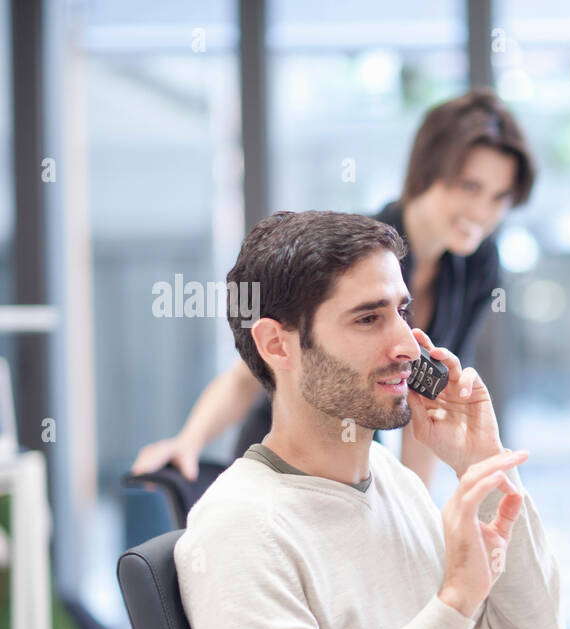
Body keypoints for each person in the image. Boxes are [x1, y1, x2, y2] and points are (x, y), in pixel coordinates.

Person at [174, 209, 564, 629]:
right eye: (368, 318)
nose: (408, 343)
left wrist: (483, 467)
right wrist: (454, 600)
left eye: (402, 311)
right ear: (278, 345)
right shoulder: (240, 526)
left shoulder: (395, 484)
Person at [132, 89, 535, 491]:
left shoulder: (478, 265)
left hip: (358, 455)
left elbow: (425, 399)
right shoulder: (362, 254)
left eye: (499, 197)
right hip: (291, 448)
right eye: (469, 187)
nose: (483, 212)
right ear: (429, 171)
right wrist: (190, 440)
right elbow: (254, 367)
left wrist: (418, 514)